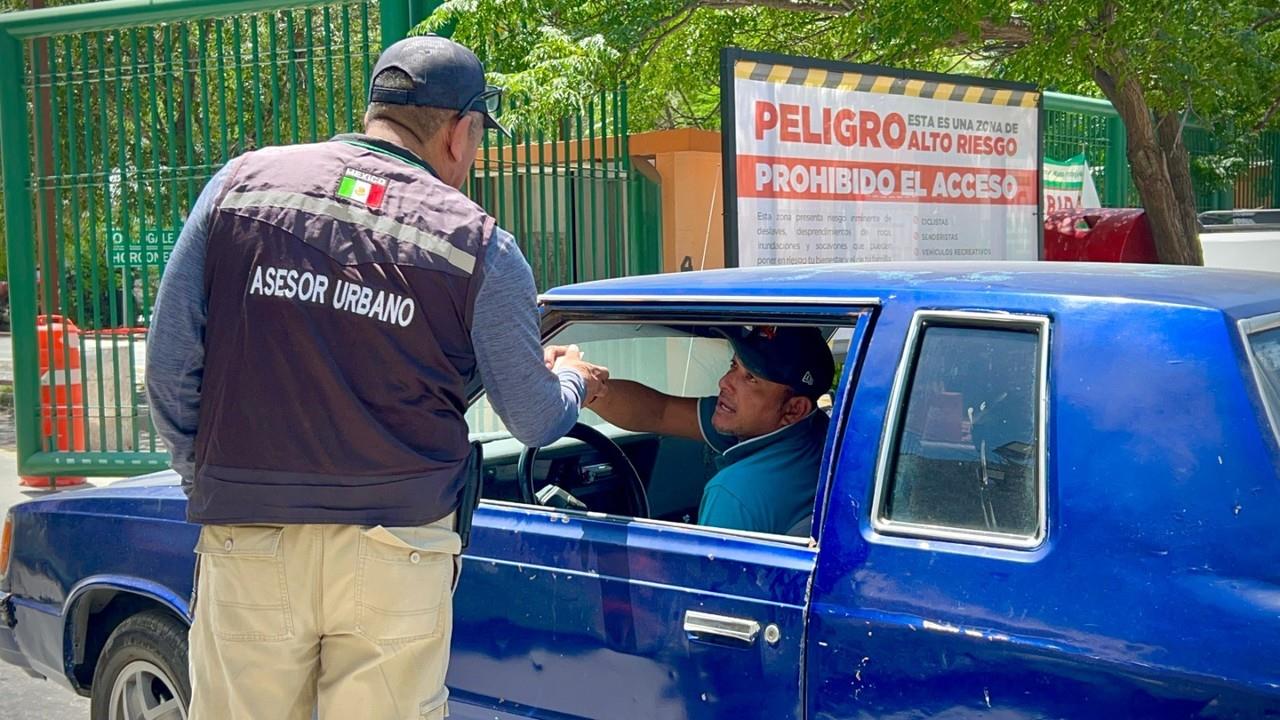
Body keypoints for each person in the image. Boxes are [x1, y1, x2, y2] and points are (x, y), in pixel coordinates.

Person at [146, 35, 607, 720]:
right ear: (460, 132)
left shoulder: (238, 186)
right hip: (397, 553)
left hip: (251, 537)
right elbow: (535, 421)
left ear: (375, 111)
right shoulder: (482, 248)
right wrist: (570, 380)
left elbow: (169, 365)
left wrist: (208, 480)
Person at [580, 325, 834, 536]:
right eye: (734, 366)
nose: (724, 382)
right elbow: (661, 411)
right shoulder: (816, 432)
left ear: (794, 409)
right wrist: (584, 387)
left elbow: (707, 592)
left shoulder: (734, 493)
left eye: (751, 378)